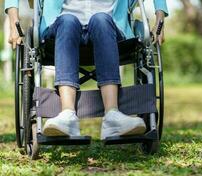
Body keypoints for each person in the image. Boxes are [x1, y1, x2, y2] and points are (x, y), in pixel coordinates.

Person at [5, 0, 168, 140]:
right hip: (60, 29)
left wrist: (160, 20)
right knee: (68, 20)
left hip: (110, 29)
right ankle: (67, 115)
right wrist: (14, 22)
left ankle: (113, 116)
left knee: (101, 19)